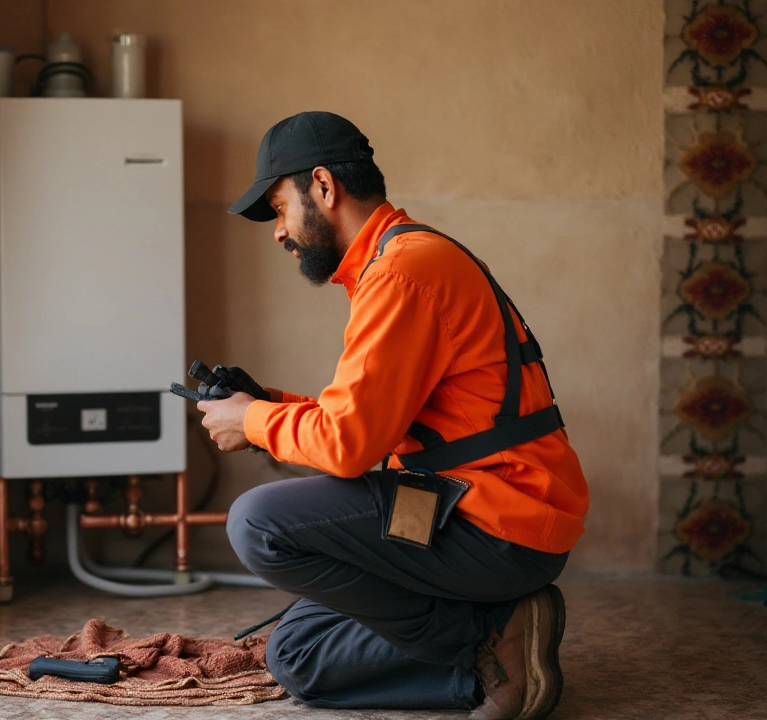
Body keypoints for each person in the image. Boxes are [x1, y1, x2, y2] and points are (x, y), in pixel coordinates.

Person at [196, 111, 590, 720]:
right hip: (450, 506)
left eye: (278, 208)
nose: (278, 232)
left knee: (257, 523)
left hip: (494, 521)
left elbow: (350, 445)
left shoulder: (404, 271)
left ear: (323, 187)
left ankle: (486, 637)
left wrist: (251, 423)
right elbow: (363, 421)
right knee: (298, 656)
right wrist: (263, 405)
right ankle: (503, 647)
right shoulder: (396, 263)